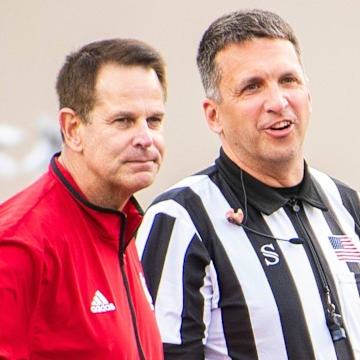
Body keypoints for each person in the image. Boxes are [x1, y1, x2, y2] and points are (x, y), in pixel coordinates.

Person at [136, 9, 360, 359]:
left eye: (289, 80)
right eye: (252, 87)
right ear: (214, 115)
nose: (277, 102)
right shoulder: (182, 219)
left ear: (309, 96)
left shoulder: (344, 203)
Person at [0, 38, 167, 359]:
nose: (146, 138)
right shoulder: (19, 243)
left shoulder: (121, 222)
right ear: (73, 128)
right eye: (123, 121)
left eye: (154, 120)